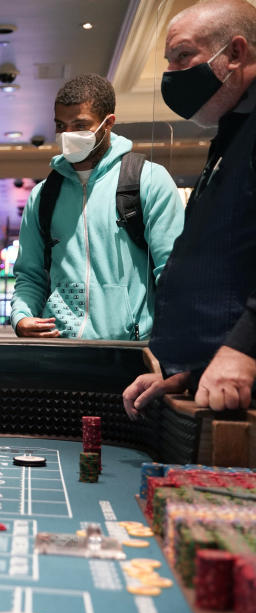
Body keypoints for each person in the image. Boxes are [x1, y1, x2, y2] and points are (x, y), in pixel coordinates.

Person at [124, 0, 256, 416]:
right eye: (169, 60)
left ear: (235, 53)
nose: (171, 73)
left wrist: (242, 350)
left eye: (183, 56)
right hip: (215, 380)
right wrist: (190, 368)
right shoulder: (233, 131)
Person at [11, 74, 185, 340]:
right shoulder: (43, 195)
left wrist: (172, 347)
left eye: (80, 125)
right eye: (61, 125)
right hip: (57, 349)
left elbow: (173, 274)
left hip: (130, 349)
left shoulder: (148, 180)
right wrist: (21, 316)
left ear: (108, 124)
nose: (67, 135)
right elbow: (29, 275)